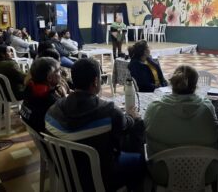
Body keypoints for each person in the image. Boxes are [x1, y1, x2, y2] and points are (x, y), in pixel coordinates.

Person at [45, 58, 144, 191]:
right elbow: (128, 124)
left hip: (67, 172)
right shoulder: (109, 110)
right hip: (101, 176)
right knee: (140, 157)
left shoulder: (53, 110)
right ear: (96, 81)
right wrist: (133, 116)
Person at [144, 65, 218, 185]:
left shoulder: (155, 107)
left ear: (173, 84)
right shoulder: (207, 107)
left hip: (164, 174)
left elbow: (145, 130)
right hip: (204, 174)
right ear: (195, 86)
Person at [21, 57, 67, 132]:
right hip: (49, 138)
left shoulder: (29, 88)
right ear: (49, 78)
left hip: (37, 134)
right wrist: (64, 98)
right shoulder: (50, 100)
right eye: (58, 70)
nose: (61, 72)